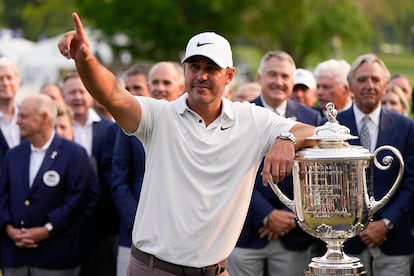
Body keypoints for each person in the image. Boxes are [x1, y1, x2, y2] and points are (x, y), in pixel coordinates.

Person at [57, 12, 316, 276]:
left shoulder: (250, 119)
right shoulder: (160, 116)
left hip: (214, 270)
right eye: (194, 66)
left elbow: (314, 131)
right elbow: (112, 94)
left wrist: (288, 137)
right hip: (155, 268)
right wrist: (85, 59)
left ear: (229, 76)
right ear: (184, 70)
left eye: (211, 68)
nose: (201, 75)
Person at [228, 51, 321, 276]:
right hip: (246, 231)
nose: (278, 82)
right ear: (259, 78)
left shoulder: (312, 120)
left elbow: (314, 178)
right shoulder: (237, 116)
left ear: (292, 81)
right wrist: (267, 214)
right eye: (272, 74)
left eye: (285, 76)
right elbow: (231, 173)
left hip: (293, 233)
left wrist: (286, 216)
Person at [336, 54, 414, 276]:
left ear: (385, 85)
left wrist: (387, 223)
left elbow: (411, 182)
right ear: (350, 85)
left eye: (375, 79)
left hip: (393, 241)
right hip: (345, 243)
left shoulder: (406, 127)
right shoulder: (331, 126)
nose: (369, 85)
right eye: (362, 80)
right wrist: (352, 226)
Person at [0, 94, 93, 276]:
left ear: (43, 118)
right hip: (15, 256)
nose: (18, 122)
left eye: (24, 116)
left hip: (54, 258)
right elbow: (3, 195)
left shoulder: (74, 154)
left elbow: (77, 200)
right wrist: (9, 228)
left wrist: (47, 229)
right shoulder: (14, 154)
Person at [62, 73, 118, 276]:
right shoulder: (57, 128)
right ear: (63, 96)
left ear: (91, 94)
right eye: (72, 92)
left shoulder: (109, 128)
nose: (77, 97)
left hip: (101, 224)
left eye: (82, 91)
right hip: (64, 224)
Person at [111, 62, 153, 276]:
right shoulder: (125, 128)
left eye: (137, 88)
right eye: (127, 89)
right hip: (133, 233)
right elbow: (118, 179)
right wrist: (137, 221)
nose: (132, 93)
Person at [0, 57, 22, 171]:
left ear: (17, 81)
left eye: (9, 78)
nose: (5, 83)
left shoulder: (29, 115)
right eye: (0, 78)